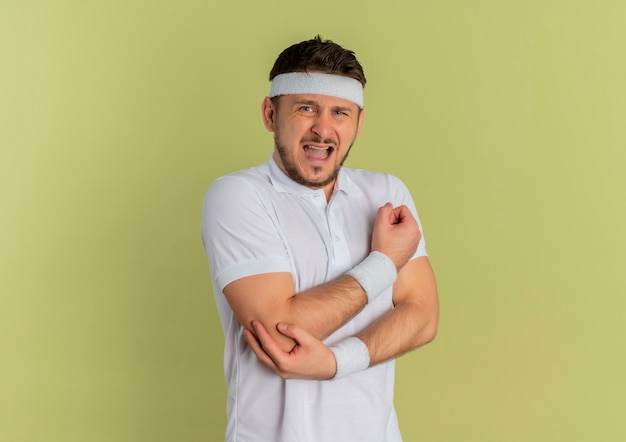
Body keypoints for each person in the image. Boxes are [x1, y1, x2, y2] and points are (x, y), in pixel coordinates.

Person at [202, 35, 439, 442]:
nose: (323, 129)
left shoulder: (388, 193)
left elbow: (423, 317)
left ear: (359, 123)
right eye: (306, 108)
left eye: (340, 112)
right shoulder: (238, 196)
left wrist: (335, 362)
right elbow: (279, 330)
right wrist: (385, 262)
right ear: (270, 114)